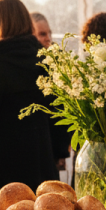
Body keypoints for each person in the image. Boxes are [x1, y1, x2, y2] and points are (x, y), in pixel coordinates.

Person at [0, 0, 58, 197]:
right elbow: (57, 111)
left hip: (6, 162)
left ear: (1, 25)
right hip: (42, 156)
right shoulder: (45, 60)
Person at [31, 12, 70, 172]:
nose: (48, 38)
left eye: (49, 33)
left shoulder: (57, 60)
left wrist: (62, 151)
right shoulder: (30, 64)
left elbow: (62, 108)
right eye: (41, 34)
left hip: (54, 144)